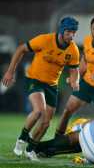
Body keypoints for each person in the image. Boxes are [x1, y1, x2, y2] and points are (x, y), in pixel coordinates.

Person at [1, 17, 80, 161]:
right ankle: (21, 139)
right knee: (38, 111)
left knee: (46, 123)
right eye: (69, 32)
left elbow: (74, 70)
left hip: (52, 86)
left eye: (74, 32)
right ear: (62, 31)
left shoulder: (73, 50)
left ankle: (30, 149)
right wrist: (10, 71)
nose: (71, 35)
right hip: (34, 80)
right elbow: (21, 49)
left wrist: (75, 81)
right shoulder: (44, 40)